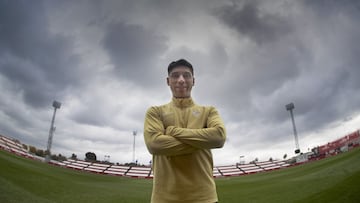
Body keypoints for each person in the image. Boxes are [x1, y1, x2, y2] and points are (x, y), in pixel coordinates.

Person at [143, 59, 226, 203]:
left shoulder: (209, 111)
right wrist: (202, 141)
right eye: (175, 76)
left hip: (204, 198)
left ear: (193, 81)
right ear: (168, 81)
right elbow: (154, 145)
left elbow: (218, 137)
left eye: (186, 75)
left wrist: (173, 131)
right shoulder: (155, 112)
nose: (181, 80)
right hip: (164, 198)